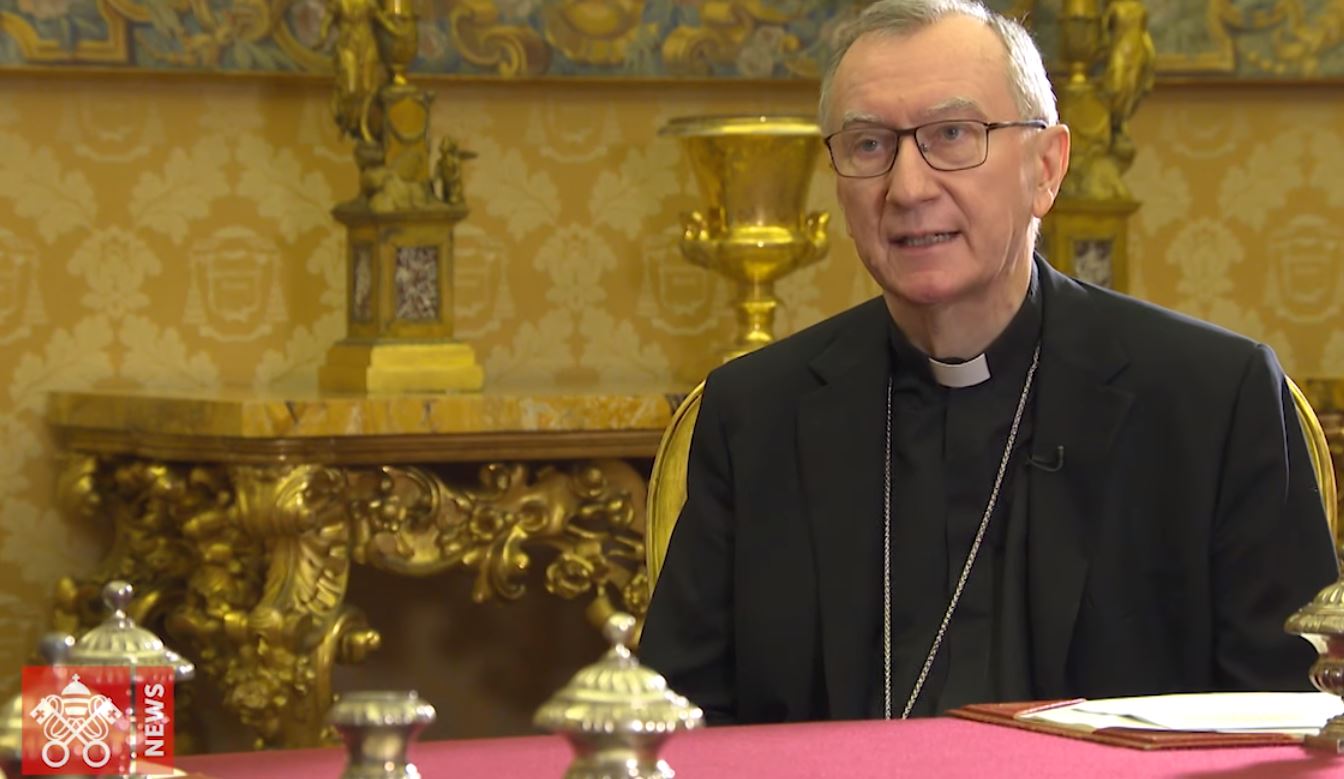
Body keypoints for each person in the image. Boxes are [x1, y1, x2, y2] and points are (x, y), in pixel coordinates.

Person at [639, 0, 1339, 725]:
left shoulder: (1212, 402)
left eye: (953, 135)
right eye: (870, 145)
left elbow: (1293, 726)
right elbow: (677, 729)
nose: (908, 189)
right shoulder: (755, 416)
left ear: (1046, 168)